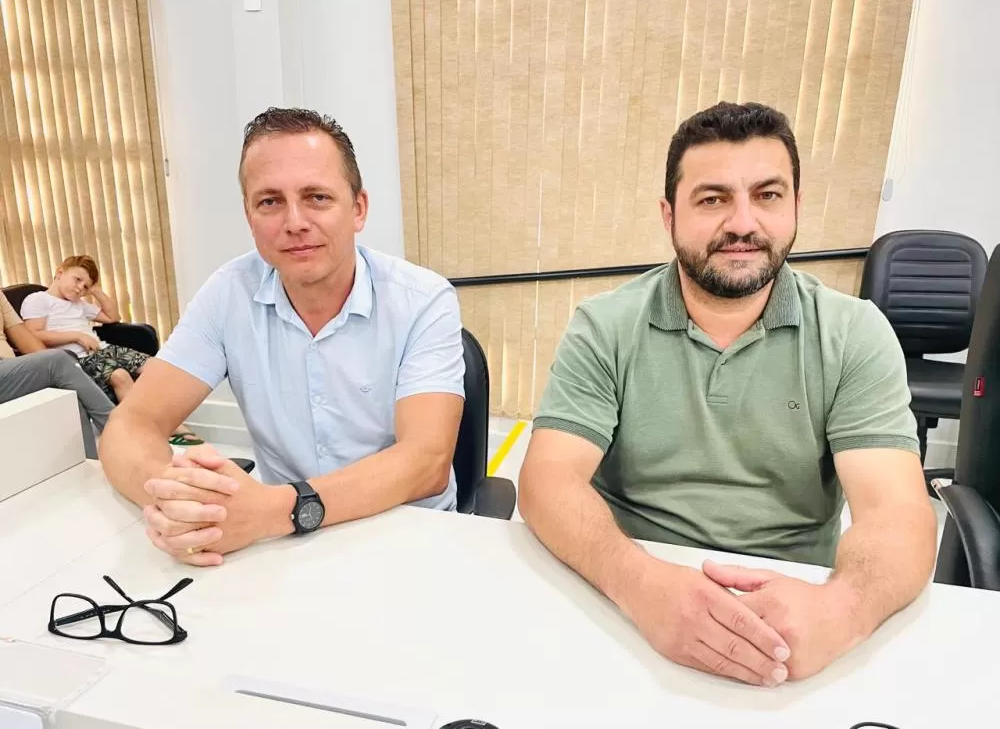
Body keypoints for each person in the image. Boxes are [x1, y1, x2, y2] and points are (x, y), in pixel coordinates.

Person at [517, 102, 936, 688]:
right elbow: (547, 480)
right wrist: (641, 585)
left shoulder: (853, 334)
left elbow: (898, 513)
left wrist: (841, 612)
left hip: (793, 610)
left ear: (796, 206)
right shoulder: (605, 327)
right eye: (713, 199)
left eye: (767, 195)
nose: (742, 223)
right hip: (624, 599)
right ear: (669, 215)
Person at [98, 107, 465, 567]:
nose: (294, 222)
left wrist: (278, 509)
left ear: (358, 209)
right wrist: (183, 506)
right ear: (249, 216)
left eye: (317, 197)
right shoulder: (228, 294)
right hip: (288, 546)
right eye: (270, 202)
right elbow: (130, 426)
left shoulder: (423, 299)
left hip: (408, 536)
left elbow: (426, 461)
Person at [19, 255, 202, 446]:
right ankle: (158, 428)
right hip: (78, 358)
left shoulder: (79, 304)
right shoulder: (38, 299)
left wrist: (96, 290)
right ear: (59, 273)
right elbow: (33, 335)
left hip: (104, 350)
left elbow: (113, 317)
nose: (80, 288)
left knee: (156, 368)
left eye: (85, 286)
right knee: (120, 376)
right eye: (77, 279)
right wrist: (76, 336)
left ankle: (169, 420)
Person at [0, 290, 114, 458]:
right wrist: (55, 362)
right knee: (57, 360)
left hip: (8, 370)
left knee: (69, 387)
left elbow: (25, 341)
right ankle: (120, 430)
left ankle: (88, 463)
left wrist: (64, 366)